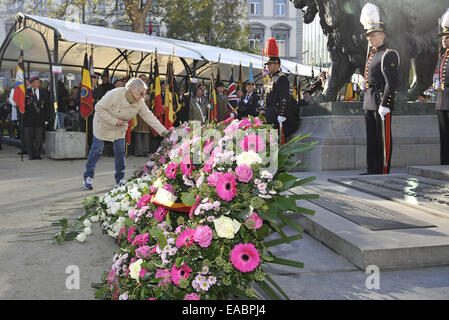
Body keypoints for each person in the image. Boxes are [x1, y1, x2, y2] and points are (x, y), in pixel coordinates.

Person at [82, 78, 169, 190]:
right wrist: (115, 121)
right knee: (96, 151)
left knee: (120, 152)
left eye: (144, 94)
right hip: (103, 125)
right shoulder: (115, 93)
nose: (143, 96)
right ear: (132, 89)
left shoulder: (140, 102)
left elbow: (149, 116)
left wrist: (164, 131)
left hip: (119, 128)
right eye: (141, 93)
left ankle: (120, 179)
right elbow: (98, 108)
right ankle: (88, 177)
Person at [360, 4, 399, 174]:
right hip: (369, 99)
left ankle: (382, 169)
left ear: (382, 35)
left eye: (373, 35)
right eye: (368, 36)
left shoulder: (388, 54)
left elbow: (391, 83)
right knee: (371, 138)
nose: (370, 39)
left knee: (382, 138)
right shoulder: (372, 54)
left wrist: (386, 103)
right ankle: (371, 169)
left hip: (380, 100)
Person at [262, 38, 290, 138]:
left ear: (277, 65)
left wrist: (282, 114)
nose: (268, 67)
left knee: (276, 141)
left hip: (276, 114)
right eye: (268, 65)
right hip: (269, 114)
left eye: (270, 64)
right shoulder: (271, 79)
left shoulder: (281, 78)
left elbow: (284, 98)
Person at [23, 76, 50, 160]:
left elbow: (47, 106)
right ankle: (31, 154)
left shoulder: (44, 91)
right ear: (31, 84)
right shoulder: (26, 92)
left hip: (40, 119)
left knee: (39, 138)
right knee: (28, 138)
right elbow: (22, 105)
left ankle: (37, 153)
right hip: (28, 119)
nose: (35, 84)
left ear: (39, 84)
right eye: (34, 82)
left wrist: (47, 118)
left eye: (37, 82)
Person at [436, 9, 449, 165]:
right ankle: (444, 164)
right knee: (444, 135)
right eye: (443, 38)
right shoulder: (443, 57)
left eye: (446, 38)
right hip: (442, 100)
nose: (443, 40)